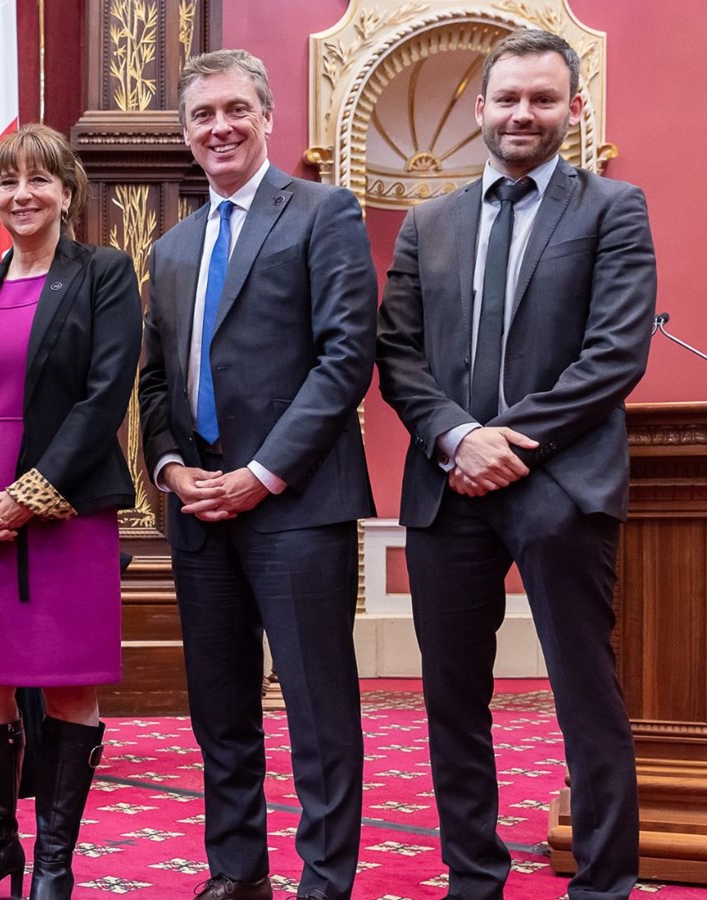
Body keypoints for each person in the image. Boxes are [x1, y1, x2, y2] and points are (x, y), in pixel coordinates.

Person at [376, 28, 656, 900]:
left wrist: (503, 441)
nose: (522, 114)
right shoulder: (430, 222)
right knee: (452, 703)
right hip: (445, 491)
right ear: (480, 107)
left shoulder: (614, 207)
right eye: (508, 98)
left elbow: (613, 357)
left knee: (584, 696)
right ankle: (473, 876)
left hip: (563, 487)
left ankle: (603, 885)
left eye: (542, 98)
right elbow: (398, 355)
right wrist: (459, 438)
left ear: (574, 109)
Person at [139, 49, 378, 900]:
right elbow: (157, 380)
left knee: (317, 712)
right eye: (202, 116)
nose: (220, 128)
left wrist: (262, 472)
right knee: (220, 710)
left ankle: (325, 881)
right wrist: (170, 468)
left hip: (298, 506)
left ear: (269, 116)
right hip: (199, 509)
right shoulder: (171, 248)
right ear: (185, 135)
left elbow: (347, 359)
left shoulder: (322, 211)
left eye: (235, 110)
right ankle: (236, 874)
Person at [0, 123, 140, 900]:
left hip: (66, 505)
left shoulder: (104, 274)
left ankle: (54, 864)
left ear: (66, 191)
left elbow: (105, 394)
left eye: (39, 180)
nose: (23, 194)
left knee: (66, 685)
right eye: (8, 181)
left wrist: (29, 496)